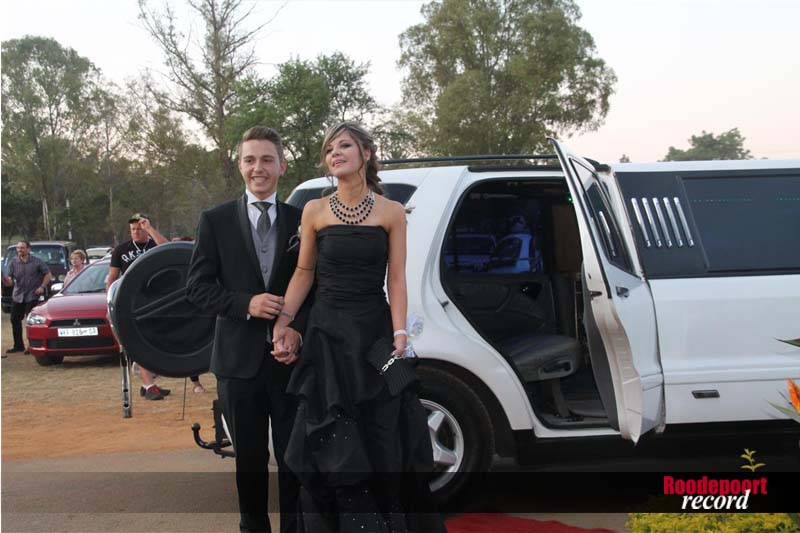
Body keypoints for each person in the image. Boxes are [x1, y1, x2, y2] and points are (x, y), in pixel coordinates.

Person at [272, 122, 444, 533]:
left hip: (374, 336)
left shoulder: (391, 211)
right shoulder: (315, 210)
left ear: (366, 153)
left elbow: (396, 278)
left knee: (384, 431)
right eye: (329, 149)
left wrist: (400, 333)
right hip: (326, 337)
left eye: (344, 145)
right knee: (330, 436)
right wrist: (284, 321)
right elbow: (304, 273)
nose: (335, 153)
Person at [186, 126, 308, 533]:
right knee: (250, 462)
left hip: (290, 363)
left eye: (267, 159)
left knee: (295, 460)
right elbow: (197, 289)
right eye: (250, 160)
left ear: (282, 166)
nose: (259, 168)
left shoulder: (302, 221)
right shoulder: (215, 221)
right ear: (240, 166)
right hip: (237, 365)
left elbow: (316, 288)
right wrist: (246, 304)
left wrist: (297, 331)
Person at [106, 213, 169, 400]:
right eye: (133, 229)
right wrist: (109, 302)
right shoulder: (121, 250)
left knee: (156, 341)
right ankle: (149, 385)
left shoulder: (153, 244)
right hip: (132, 301)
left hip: (155, 299)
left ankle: (147, 383)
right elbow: (112, 278)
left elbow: (168, 249)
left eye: (139, 229)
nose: (136, 232)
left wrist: (150, 229)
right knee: (139, 341)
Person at [3, 241, 51, 354]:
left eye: (22, 248)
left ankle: (32, 345)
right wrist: (6, 281)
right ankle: (18, 345)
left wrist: (42, 286)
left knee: (31, 322)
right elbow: (10, 279)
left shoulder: (37, 262)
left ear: (28, 249)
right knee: (14, 320)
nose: (20, 250)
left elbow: (48, 274)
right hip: (18, 296)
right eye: (18, 248)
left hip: (32, 295)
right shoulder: (13, 262)